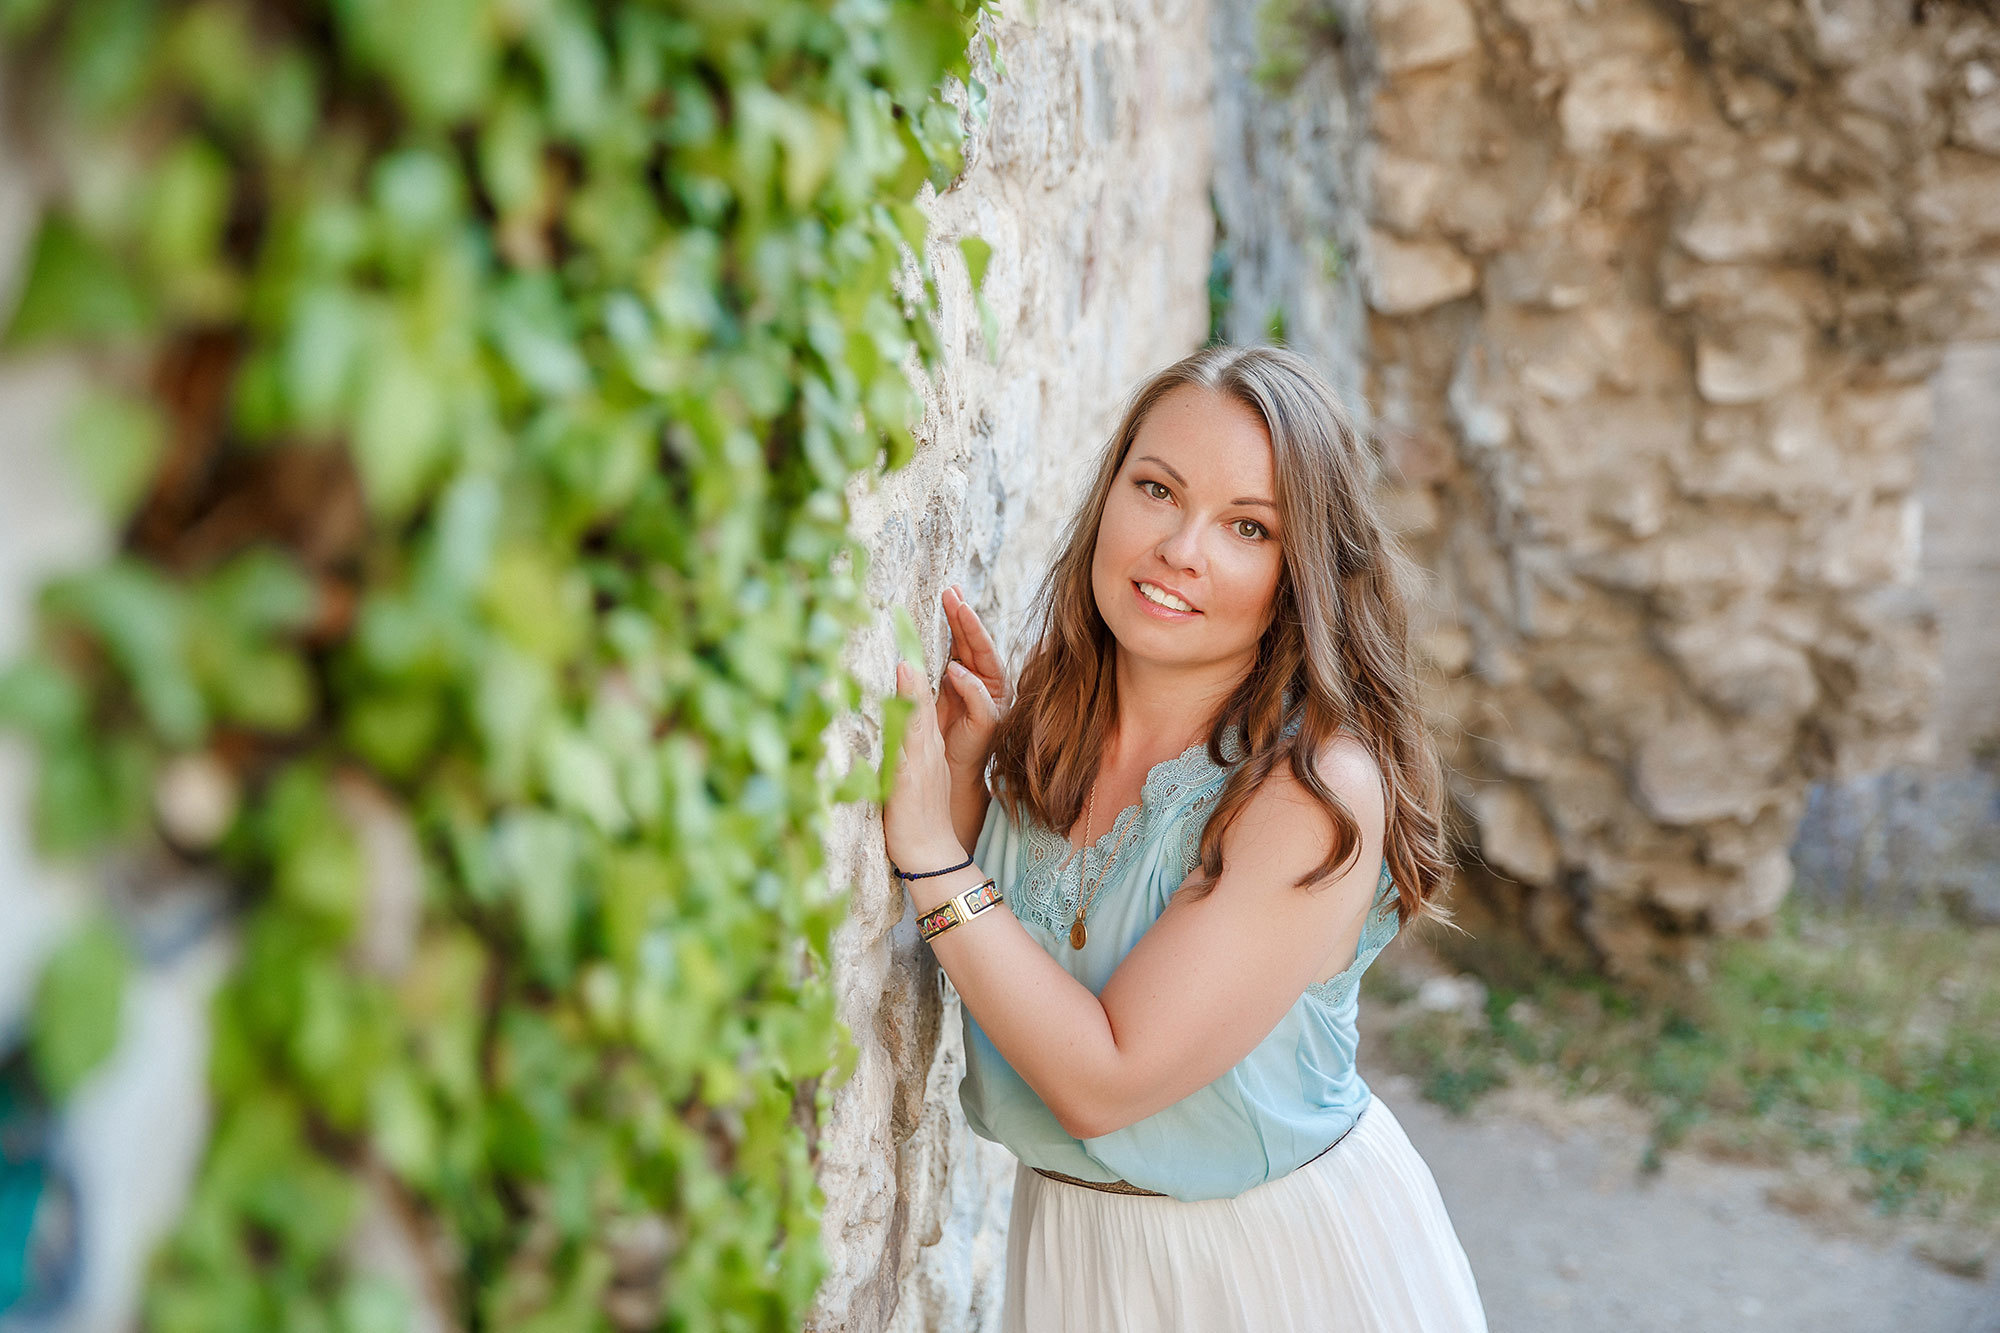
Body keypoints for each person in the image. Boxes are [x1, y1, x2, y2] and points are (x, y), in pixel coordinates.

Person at [881, 344, 1487, 1331]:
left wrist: (931, 855)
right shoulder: (1051, 715)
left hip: (1268, 1273)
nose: (1180, 548)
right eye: (1155, 489)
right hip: (1074, 1259)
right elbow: (1020, 958)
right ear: (1108, 492)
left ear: (1298, 574)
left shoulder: (1307, 795)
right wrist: (968, 793)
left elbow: (1101, 1077)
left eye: (1246, 526)